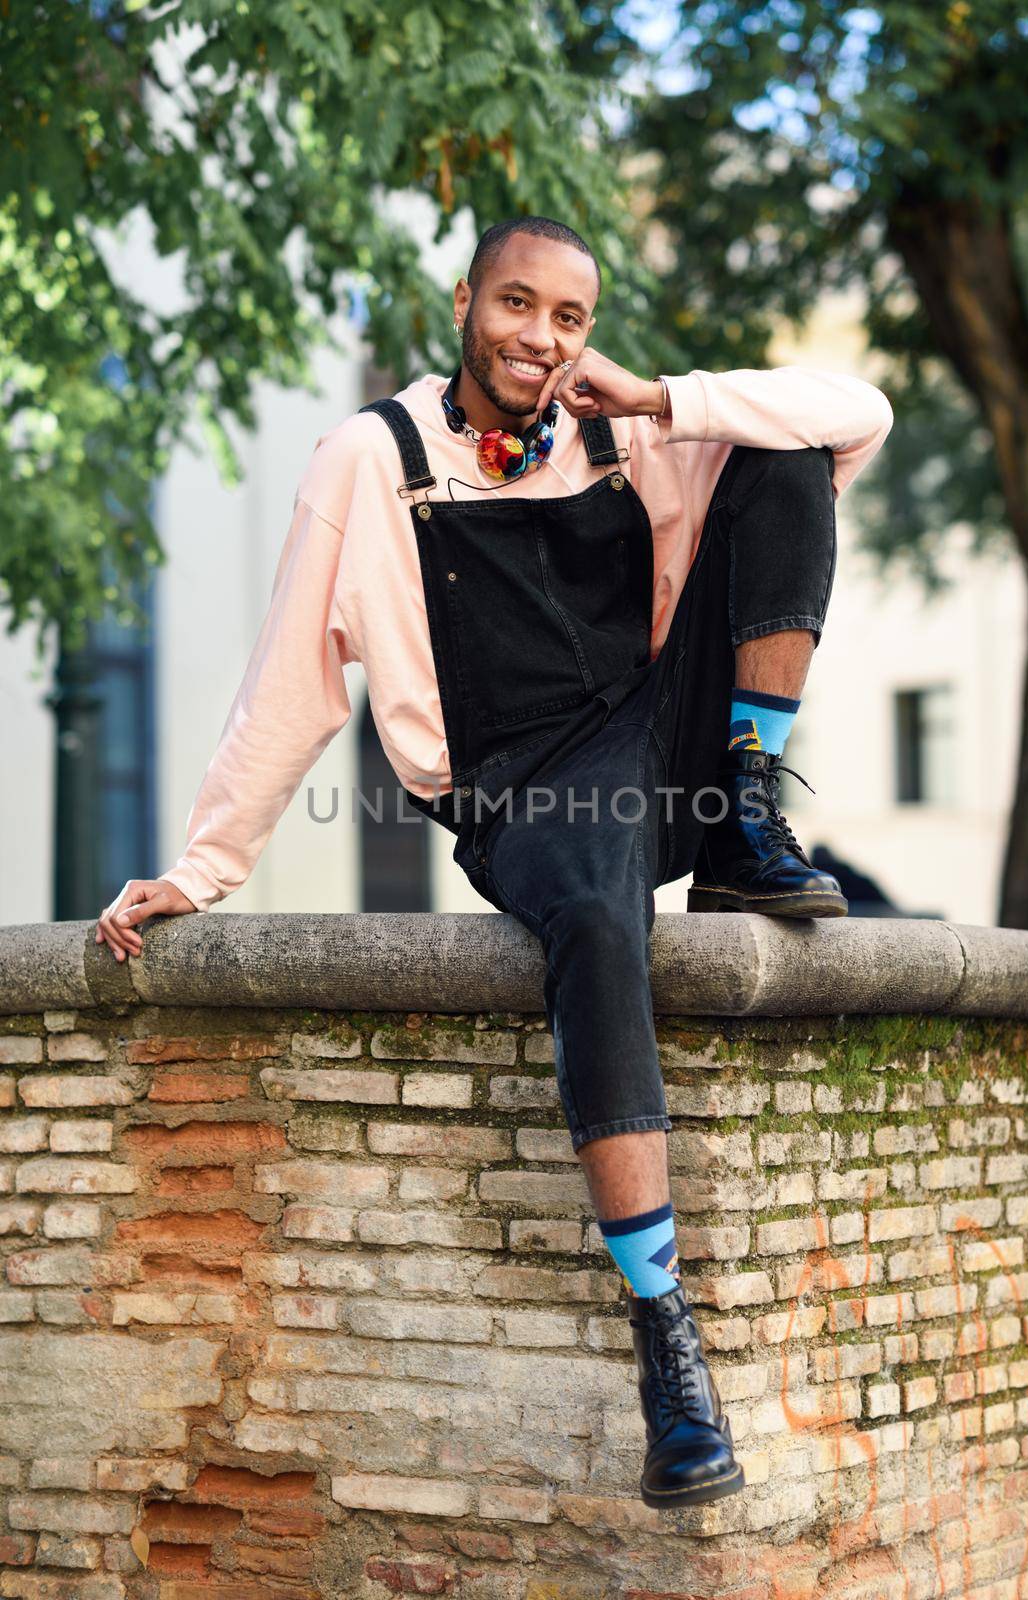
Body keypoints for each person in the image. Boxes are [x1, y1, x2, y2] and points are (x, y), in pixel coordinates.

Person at [96, 215, 893, 1510]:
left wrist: (662, 396)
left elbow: (857, 414)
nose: (539, 338)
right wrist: (201, 869)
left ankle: (748, 816)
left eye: (568, 319)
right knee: (592, 916)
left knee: (784, 458)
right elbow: (292, 681)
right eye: (517, 306)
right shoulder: (373, 459)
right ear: (467, 300)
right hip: (520, 789)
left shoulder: (625, 427)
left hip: (658, 743)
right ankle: (666, 1346)